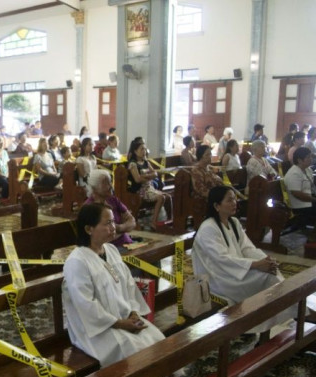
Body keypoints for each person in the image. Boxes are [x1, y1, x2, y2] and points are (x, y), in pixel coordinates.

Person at [62, 203, 174, 377]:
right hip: (95, 329)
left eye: (114, 221)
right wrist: (120, 323)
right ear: (89, 229)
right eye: (107, 223)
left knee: (160, 343)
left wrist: (132, 312)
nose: (114, 227)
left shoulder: (111, 251)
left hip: (123, 319)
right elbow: (85, 304)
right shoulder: (76, 261)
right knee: (137, 354)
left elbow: (128, 285)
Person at [192, 186, 296, 343]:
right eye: (229, 200)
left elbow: (247, 248)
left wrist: (265, 260)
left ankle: (273, 320)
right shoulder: (208, 228)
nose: (234, 202)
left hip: (234, 272)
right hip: (217, 278)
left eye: (234, 198)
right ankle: (289, 315)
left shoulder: (233, 222)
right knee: (268, 279)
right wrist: (255, 265)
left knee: (270, 273)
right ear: (216, 205)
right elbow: (222, 259)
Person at [127, 139, 170, 229]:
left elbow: (155, 173)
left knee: (168, 197)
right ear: (135, 151)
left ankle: (167, 221)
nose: (144, 151)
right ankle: (154, 222)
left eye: (145, 149)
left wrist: (145, 176)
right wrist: (150, 176)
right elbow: (137, 179)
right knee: (161, 197)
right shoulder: (133, 164)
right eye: (142, 149)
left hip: (149, 188)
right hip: (141, 190)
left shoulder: (145, 162)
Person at [85, 170, 135, 247]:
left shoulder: (113, 200)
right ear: (94, 187)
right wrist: (124, 227)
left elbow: (132, 222)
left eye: (110, 182)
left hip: (127, 243)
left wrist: (119, 228)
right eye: (105, 183)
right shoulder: (89, 207)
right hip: (108, 248)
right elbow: (105, 235)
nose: (110, 186)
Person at [284, 147, 316, 233]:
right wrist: (314, 199)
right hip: (299, 205)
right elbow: (296, 193)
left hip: (308, 200)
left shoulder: (307, 169)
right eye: (308, 157)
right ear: (299, 160)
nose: (311, 159)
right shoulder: (294, 173)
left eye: (311, 157)